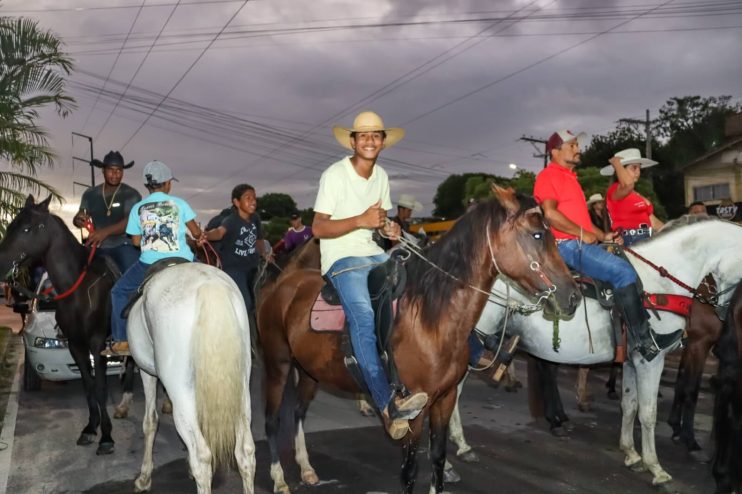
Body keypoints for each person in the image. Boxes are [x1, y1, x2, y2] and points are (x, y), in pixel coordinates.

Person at [313, 110, 427, 439]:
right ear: (352, 141)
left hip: (372, 252)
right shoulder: (334, 175)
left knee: (418, 293)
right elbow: (318, 227)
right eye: (363, 135)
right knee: (362, 317)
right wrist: (359, 221)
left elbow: (381, 223)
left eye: (376, 135)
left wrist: (390, 228)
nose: (370, 140)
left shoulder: (382, 177)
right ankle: (387, 404)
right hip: (341, 257)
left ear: (382, 142)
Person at [533, 130, 683, 362]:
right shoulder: (548, 176)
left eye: (577, 145)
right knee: (623, 272)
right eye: (572, 145)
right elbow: (551, 215)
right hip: (566, 246)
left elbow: (583, 224)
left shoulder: (570, 178)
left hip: (578, 241)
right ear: (555, 151)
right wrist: (583, 234)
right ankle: (644, 341)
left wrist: (605, 236)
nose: (578, 149)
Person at [103, 160, 205, 356]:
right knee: (212, 279)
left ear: (147, 186)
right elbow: (197, 233)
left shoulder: (138, 208)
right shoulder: (180, 203)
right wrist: (200, 238)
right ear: (167, 183)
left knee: (119, 292)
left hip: (150, 263)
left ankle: (122, 341)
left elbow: (134, 241)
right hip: (183, 260)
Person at [73, 151, 142, 274]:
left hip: (123, 245)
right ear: (103, 170)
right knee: (72, 271)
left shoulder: (131, 194)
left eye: (119, 170)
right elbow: (81, 214)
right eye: (111, 169)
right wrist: (78, 220)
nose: (115, 174)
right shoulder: (90, 194)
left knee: (134, 277)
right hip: (96, 245)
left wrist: (104, 232)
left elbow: (129, 222)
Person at [205, 183, 268, 314]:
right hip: (235, 269)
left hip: (253, 266)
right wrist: (205, 235)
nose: (253, 201)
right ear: (237, 202)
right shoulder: (231, 220)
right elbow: (219, 232)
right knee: (246, 303)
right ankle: (248, 332)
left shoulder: (255, 218)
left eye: (254, 198)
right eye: (248, 198)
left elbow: (259, 239)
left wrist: (264, 254)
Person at [600, 148, 664, 246]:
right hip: (628, 241)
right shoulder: (615, 191)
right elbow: (627, 184)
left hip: (647, 239)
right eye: (634, 168)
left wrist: (673, 232)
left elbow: (654, 222)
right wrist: (617, 163)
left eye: (639, 168)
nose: (638, 172)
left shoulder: (637, 194)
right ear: (620, 171)